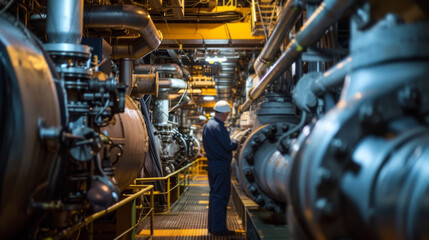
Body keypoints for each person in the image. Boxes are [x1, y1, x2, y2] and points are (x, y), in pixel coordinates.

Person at [202, 100, 238, 236]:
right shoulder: (218, 127)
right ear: (224, 113)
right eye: (227, 115)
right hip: (221, 165)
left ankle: (213, 227)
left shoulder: (208, 126)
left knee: (214, 195)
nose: (227, 117)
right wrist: (237, 142)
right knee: (221, 196)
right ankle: (218, 229)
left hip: (212, 164)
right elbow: (228, 145)